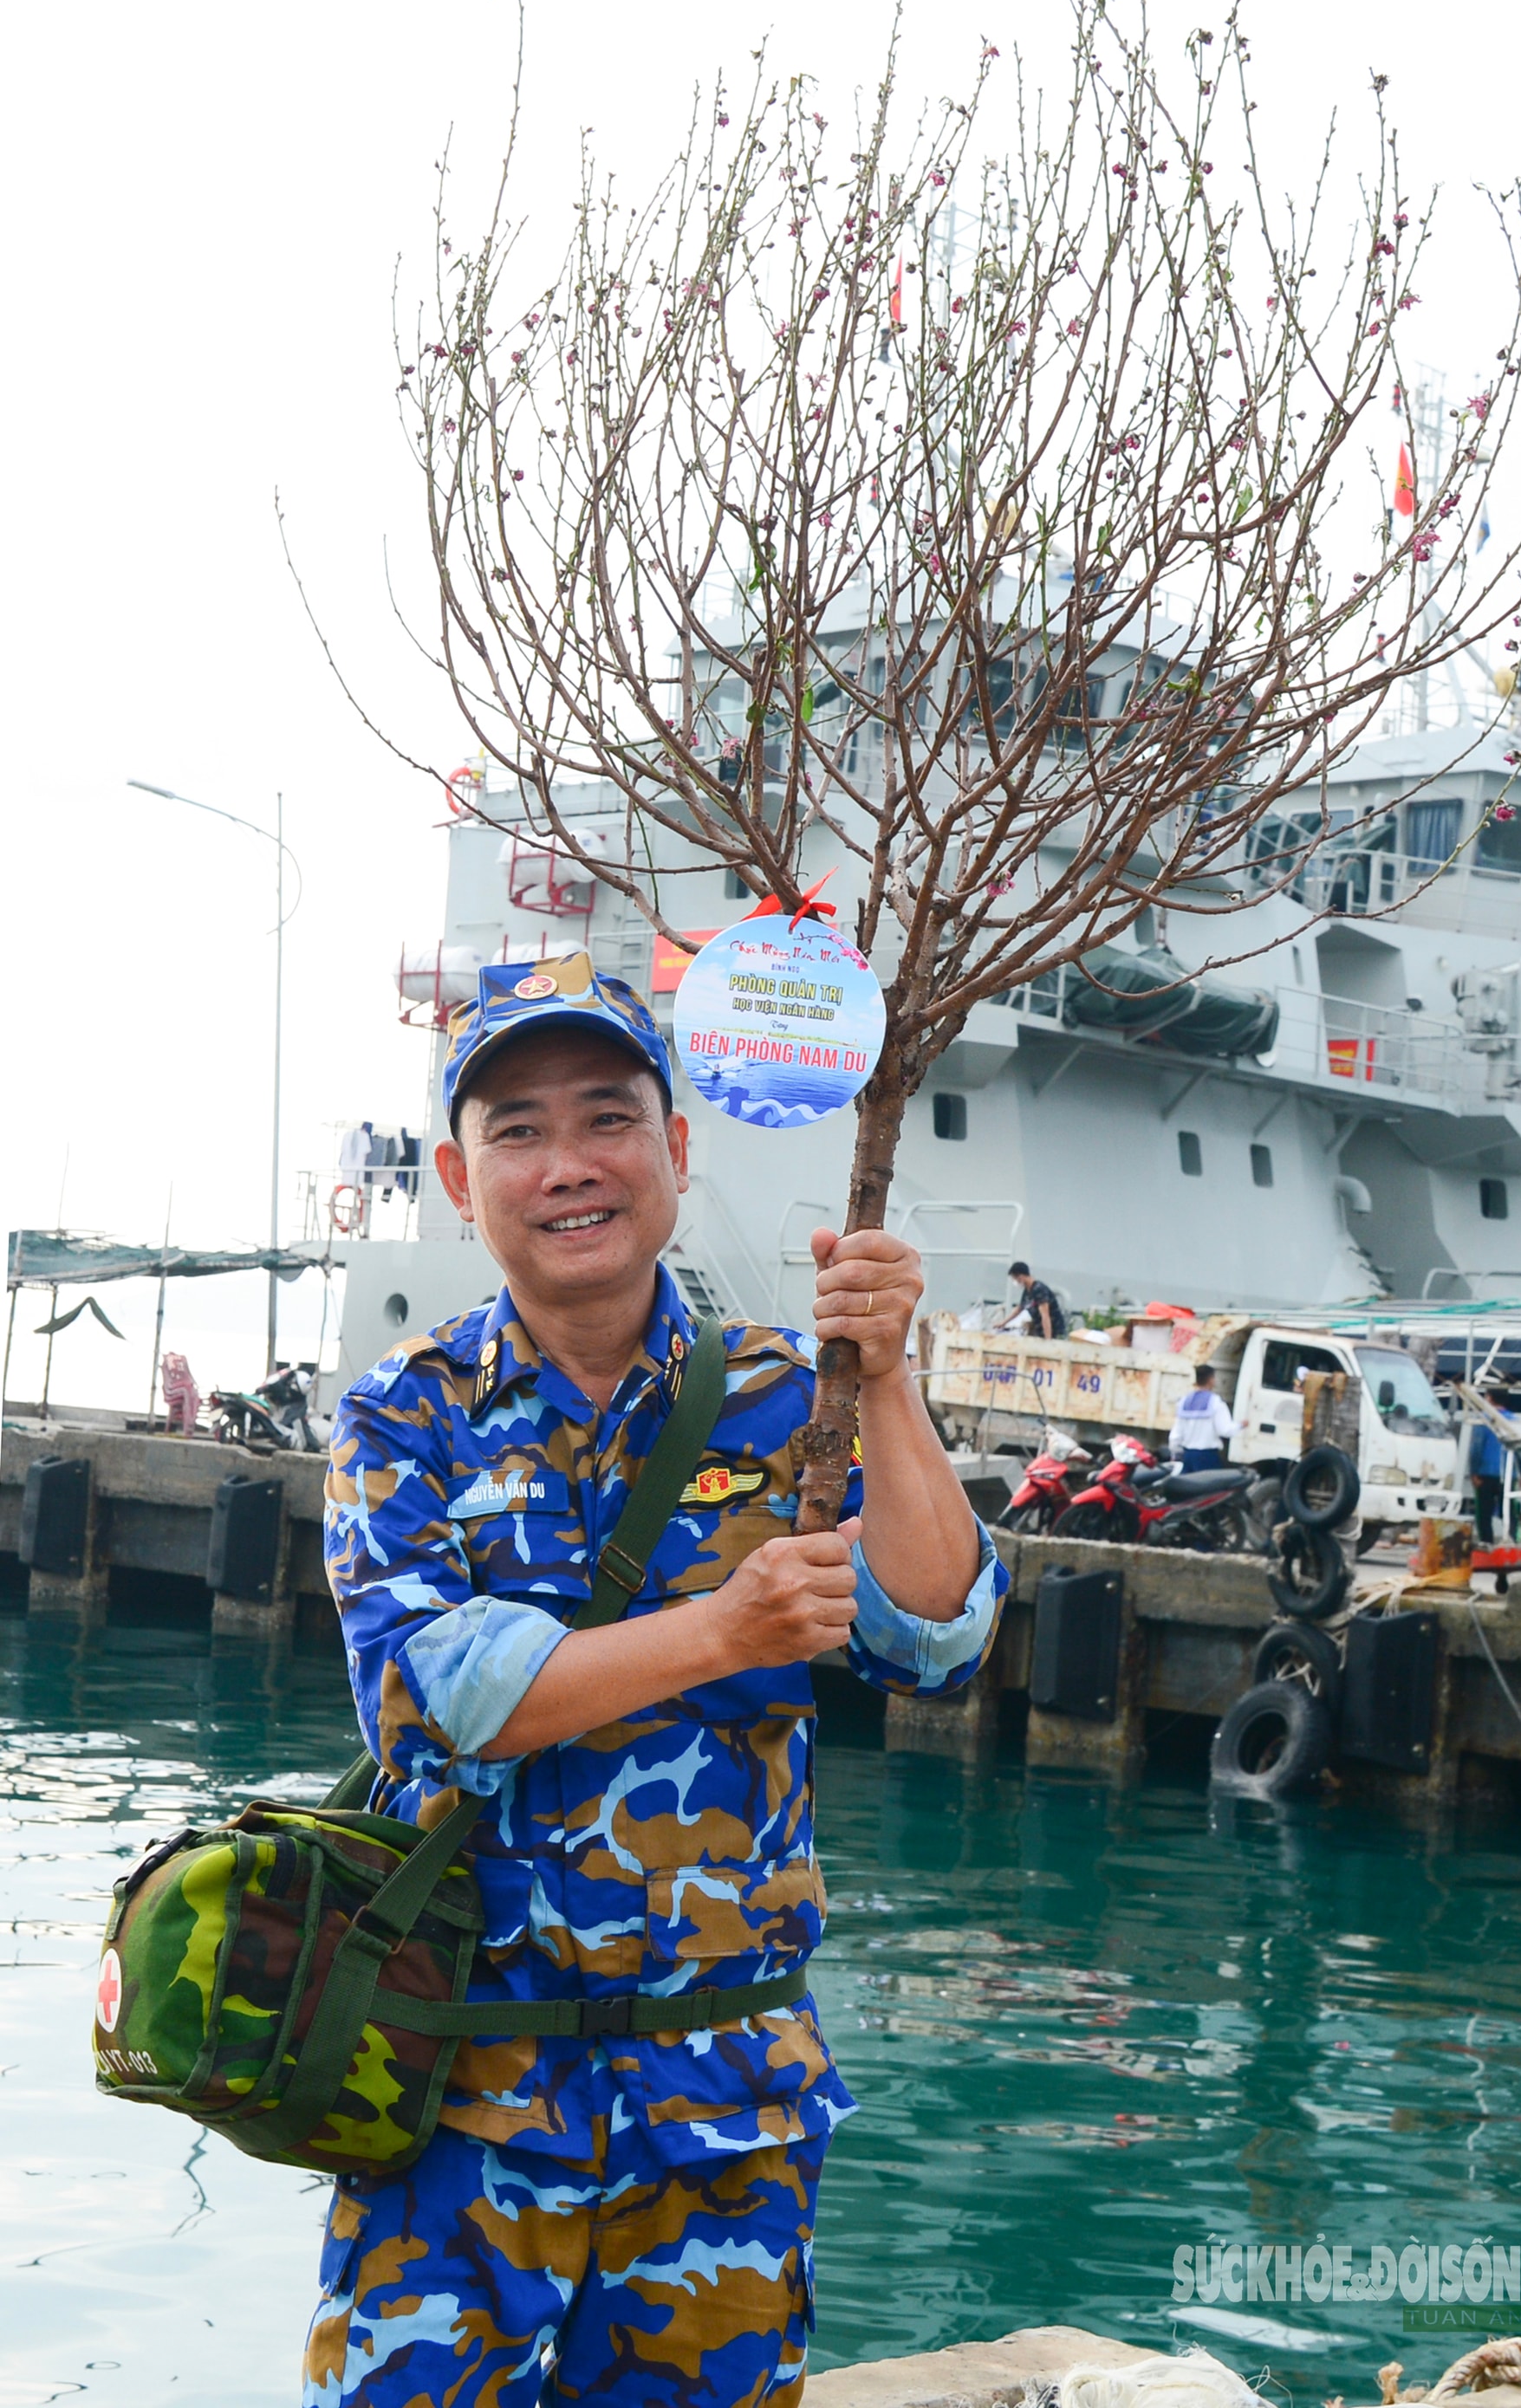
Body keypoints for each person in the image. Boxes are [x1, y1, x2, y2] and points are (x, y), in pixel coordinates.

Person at [307, 951, 1007, 2408]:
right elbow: (435, 1698)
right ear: (458, 1176)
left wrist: (882, 1377)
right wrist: (723, 1634)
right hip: (452, 2106)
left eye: (608, 1119)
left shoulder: (784, 1392)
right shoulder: (403, 1415)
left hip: (725, 2114)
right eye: (518, 1131)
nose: (569, 1166)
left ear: (677, 1151)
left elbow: (936, 1637)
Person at [1169, 1362, 1236, 1470]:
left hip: (1188, 1456)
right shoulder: (1216, 1403)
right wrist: (1241, 1425)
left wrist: (1175, 1453)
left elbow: (1176, 1434)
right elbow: (1225, 1431)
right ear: (1211, 1380)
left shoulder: (1184, 1401)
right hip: (1208, 1457)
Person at [998, 1260, 1063, 1340]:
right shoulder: (1028, 1291)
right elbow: (1019, 1309)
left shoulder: (1039, 1289)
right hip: (1040, 1331)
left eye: (1015, 1278)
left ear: (1020, 1276)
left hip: (1053, 1332)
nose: (1015, 1282)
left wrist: (1048, 1340)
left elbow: (1045, 1315)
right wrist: (1003, 1323)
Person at [1469, 1415, 1507, 1546]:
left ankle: (1486, 1543)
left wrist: (1474, 1471)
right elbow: (1519, 1449)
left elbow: (1476, 1448)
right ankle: (1513, 1540)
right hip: (1508, 1473)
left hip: (1486, 1474)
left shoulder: (1483, 1420)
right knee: (1509, 1512)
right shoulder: (1512, 1420)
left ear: (1489, 1398)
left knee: (1484, 1514)